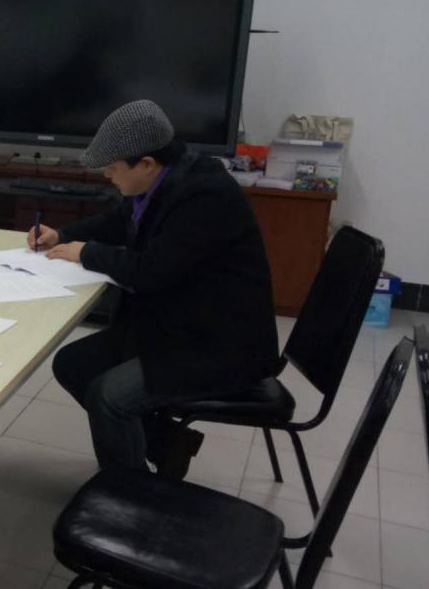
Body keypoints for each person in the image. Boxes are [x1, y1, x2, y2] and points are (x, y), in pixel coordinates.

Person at [29, 99, 278, 477]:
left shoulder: (204, 195)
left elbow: (149, 272)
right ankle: (166, 445)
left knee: (109, 396)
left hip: (221, 346)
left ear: (146, 164)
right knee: (73, 364)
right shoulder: (162, 181)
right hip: (179, 325)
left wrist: (88, 253)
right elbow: (119, 222)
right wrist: (63, 234)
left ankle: (129, 496)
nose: (108, 176)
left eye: (113, 169)